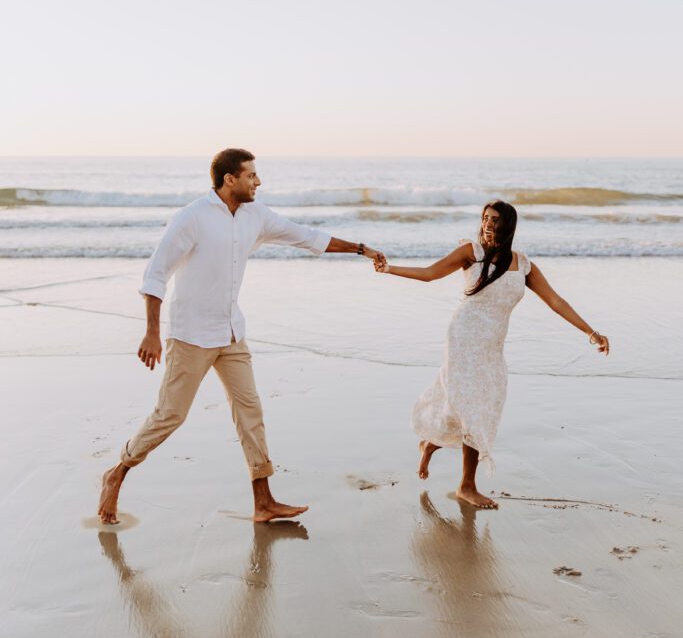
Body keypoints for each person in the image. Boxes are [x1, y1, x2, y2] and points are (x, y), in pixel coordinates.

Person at [98, 148, 385, 524]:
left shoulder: (256, 215)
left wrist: (360, 249)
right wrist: (152, 332)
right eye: (251, 175)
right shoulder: (191, 218)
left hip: (232, 333)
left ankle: (263, 501)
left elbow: (306, 236)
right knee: (170, 416)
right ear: (229, 179)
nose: (258, 182)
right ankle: (118, 471)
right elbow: (155, 274)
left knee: (250, 412)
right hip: (191, 337)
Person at [373, 200, 609, 509]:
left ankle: (431, 443)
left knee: (481, 407)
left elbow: (555, 301)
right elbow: (430, 273)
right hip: (464, 338)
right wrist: (390, 269)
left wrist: (590, 332)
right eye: (485, 218)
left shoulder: (523, 265)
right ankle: (466, 486)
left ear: (508, 225)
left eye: (495, 220)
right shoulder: (472, 252)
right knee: (468, 405)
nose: (488, 224)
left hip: (492, 345)